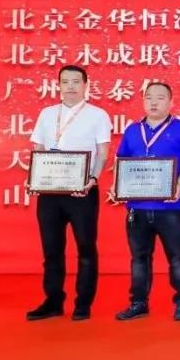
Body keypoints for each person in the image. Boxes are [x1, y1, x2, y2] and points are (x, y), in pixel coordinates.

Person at [26, 65, 112, 321]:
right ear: (59, 85)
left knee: (85, 248)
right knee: (51, 250)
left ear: (86, 85)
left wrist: (93, 179)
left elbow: (103, 153)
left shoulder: (97, 115)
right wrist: (34, 177)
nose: (71, 86)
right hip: (50, 192)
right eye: (65, 81)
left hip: (82, 192)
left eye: (76, 81)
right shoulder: (47, 114)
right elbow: (39, 149)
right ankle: (53, 301)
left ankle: (83, 303)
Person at [110, 82, 180, 322]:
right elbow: (121, 162)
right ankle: (138, 303)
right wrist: (118, 184)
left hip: (169, 207)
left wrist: (179, 182)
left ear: (171, 102)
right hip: (137, 207)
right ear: (143, 101)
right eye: (149, 97)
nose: (154, 102)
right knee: (139, 258)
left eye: (160, 97)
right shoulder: (132, 130)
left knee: (177, 257)